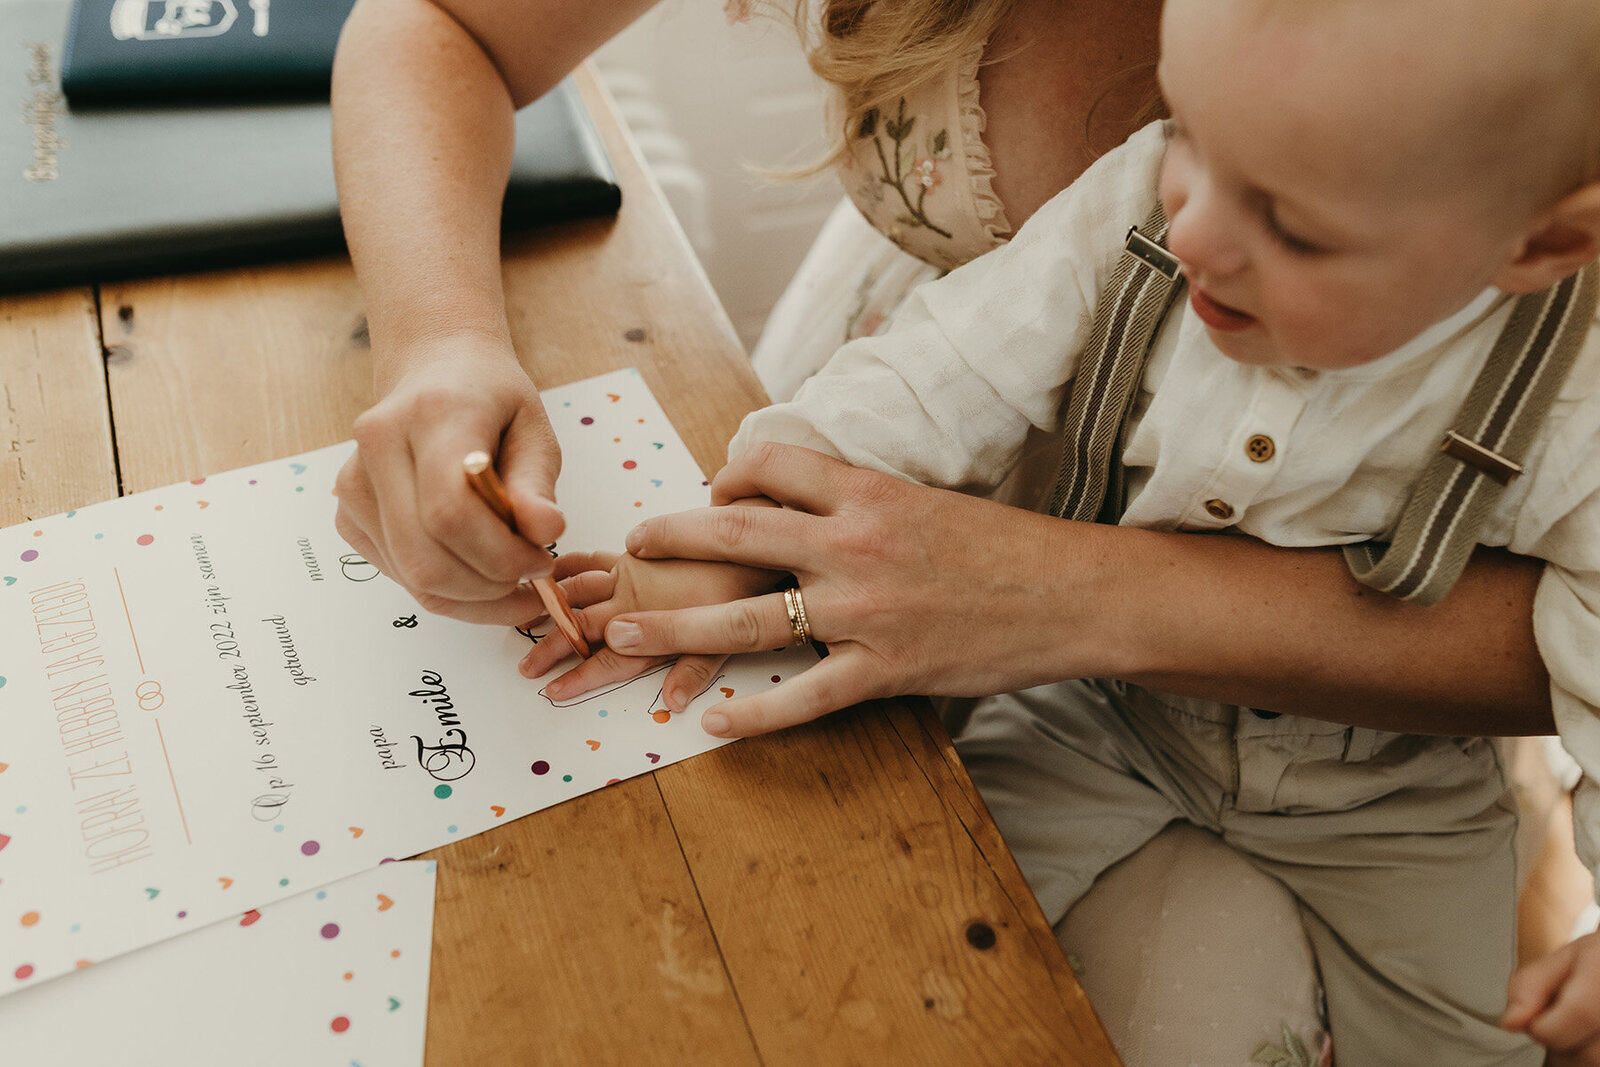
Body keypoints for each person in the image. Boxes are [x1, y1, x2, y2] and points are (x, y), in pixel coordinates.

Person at [516, 0, 1600, 1062]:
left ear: (1543, 242)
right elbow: (936, 374)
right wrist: (742, 535)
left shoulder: (1576, 398)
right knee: (885, 931)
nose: (1193, 229)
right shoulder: (1136, 196)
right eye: (1190, 129)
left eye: (1294, 224)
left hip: (1391, 802)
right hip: (1088, 715)